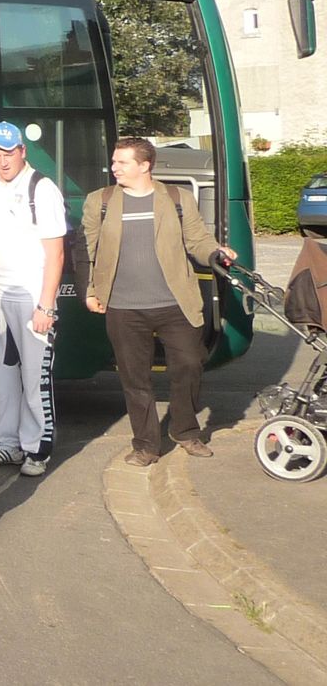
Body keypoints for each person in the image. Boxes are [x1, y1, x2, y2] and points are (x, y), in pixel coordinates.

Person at [82, 137, 235, 466]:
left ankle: (185, 431)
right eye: (114, 161)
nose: (114, 167)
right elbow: (87, 250)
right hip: (123, 307)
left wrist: (215, 253)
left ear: (144, 165)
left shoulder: (177, 198)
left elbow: (197, 239)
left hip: (175, 303)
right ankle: (146, 446)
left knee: (190, 364)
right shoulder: (100, 201)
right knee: (134, 379)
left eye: (122, 162)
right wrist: (91, 290)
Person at [0, 122, 67, 478]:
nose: (2, 161)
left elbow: (56, 253)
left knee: (34, 377)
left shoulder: (41, 188)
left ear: (22, 151)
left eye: (8, 153)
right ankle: (7, 443)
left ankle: (37, 448)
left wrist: (46, 305)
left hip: (31, 296)